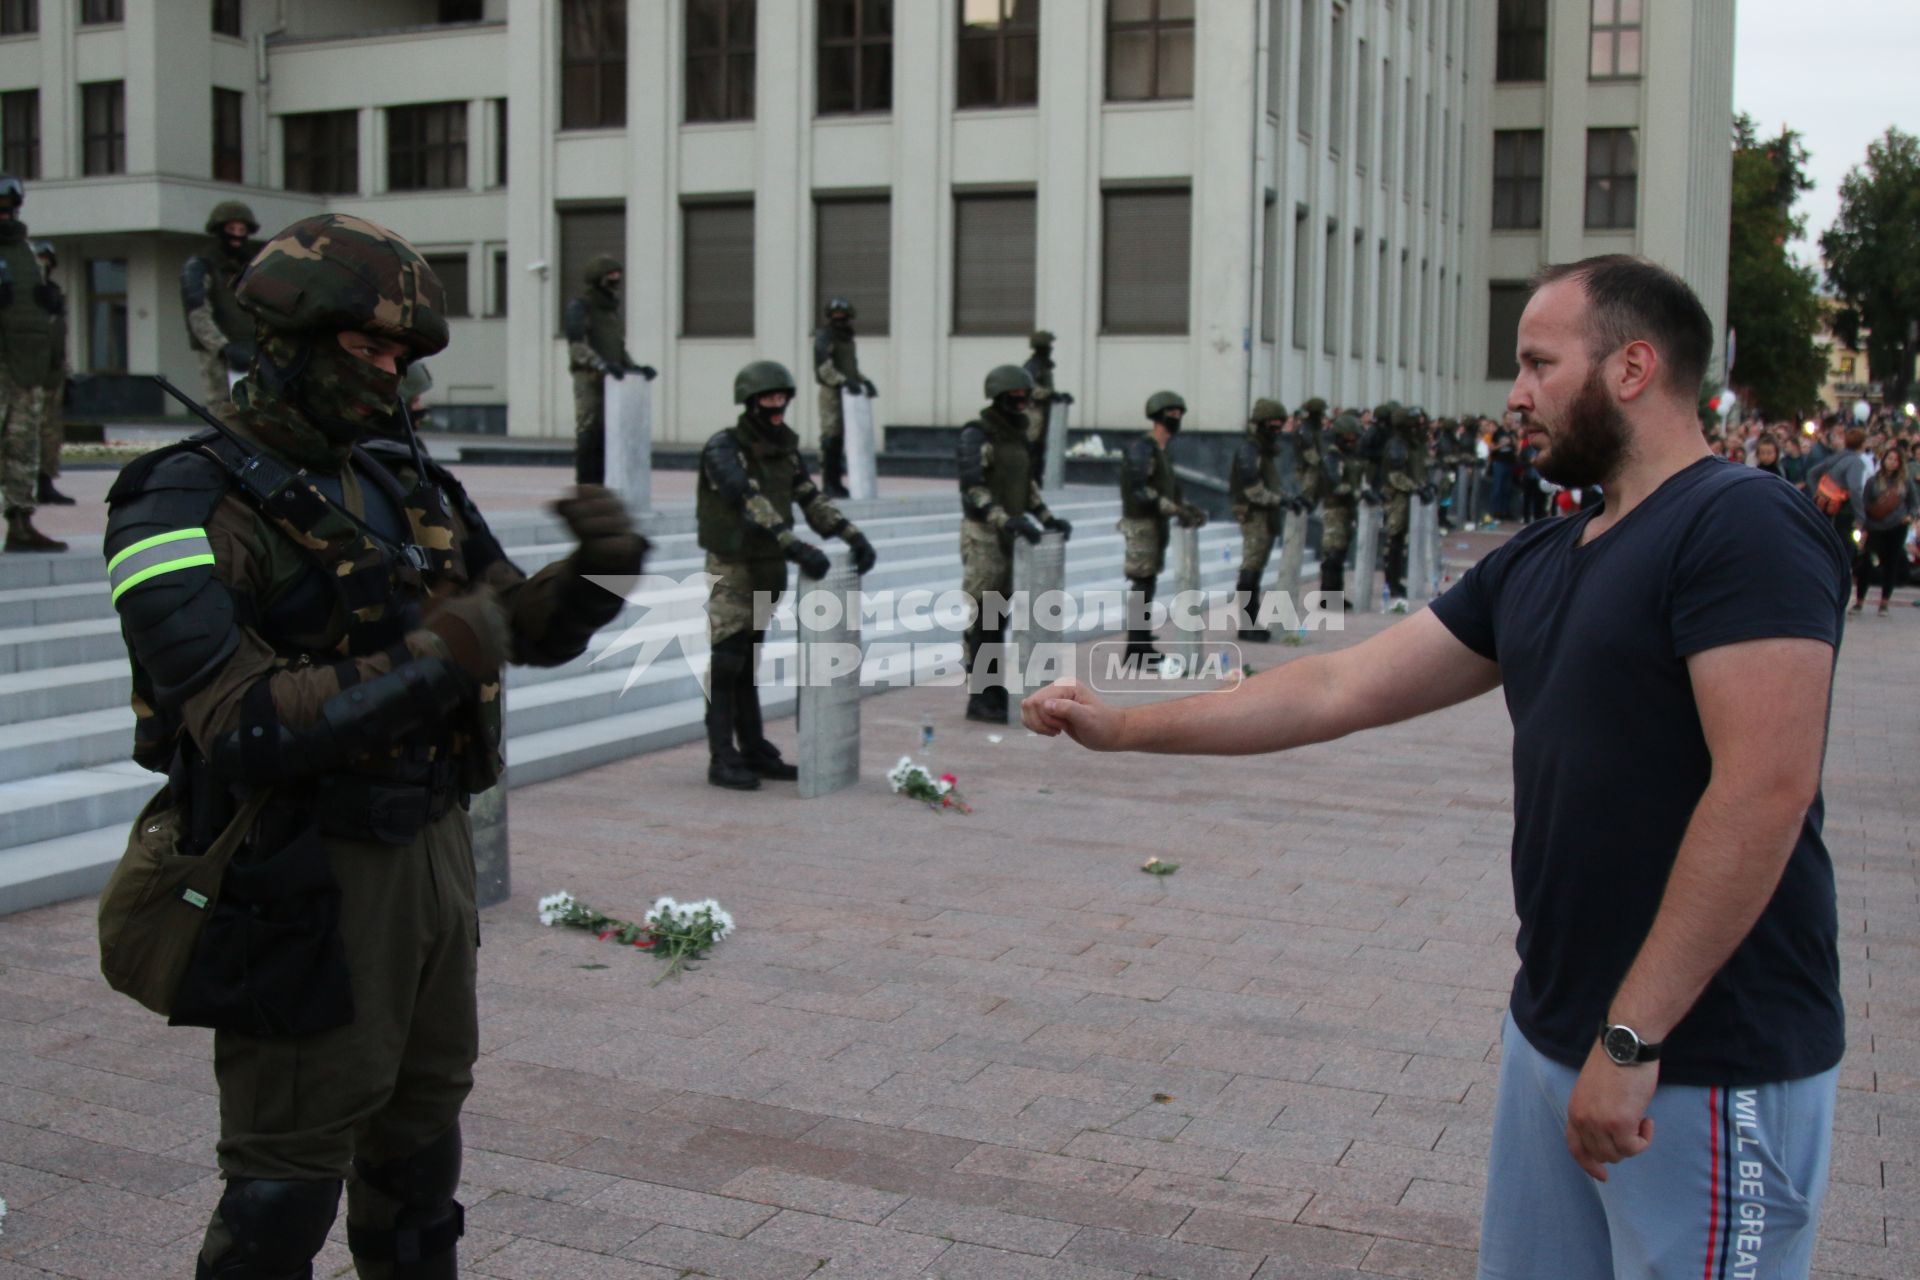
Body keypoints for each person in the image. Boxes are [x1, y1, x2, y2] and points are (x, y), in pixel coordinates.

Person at [1023, 255, 1850, 1280]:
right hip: (1556, 1039)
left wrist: (1632, 1040)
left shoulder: (1740, 524)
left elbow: (1764, 789)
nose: (1515, 394)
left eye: (1539, 363)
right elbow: (1337, 687)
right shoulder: (1544, 554)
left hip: (1700, 1061)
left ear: (1633, 367)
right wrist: (1128, 726)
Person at [103, 212, 647, 1279]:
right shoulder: (178, 498)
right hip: (298, 871)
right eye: (367, 351)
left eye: (402, 357)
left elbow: (511, 626)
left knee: (418, 1156)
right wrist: (441, 657)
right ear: (289, 339)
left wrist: (595, 572)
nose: (389, 375)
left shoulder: (399, 477)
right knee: (282, 1184)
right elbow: (241, 720)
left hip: (428, 851)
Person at [698, 360, 875, 789]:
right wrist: (792, 544)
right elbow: (748, 500)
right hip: (733, 566)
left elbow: (808, 497)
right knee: (727, 660)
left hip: (766, 567)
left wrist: (851, 535)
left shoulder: (785, 450)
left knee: (748, 658)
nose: (776, 406)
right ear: (750, 401)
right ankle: (722, 756)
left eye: (781, 398)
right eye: (767, 398)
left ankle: (754, 747)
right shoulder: (725, 448)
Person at [957, 365, 1071, 723]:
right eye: (1016, 397)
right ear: (1000, 396)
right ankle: (980, 696)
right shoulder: (978, 434)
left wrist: (1047, 517)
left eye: (1026, 397)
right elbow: (973, 489)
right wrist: (1004, 520)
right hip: (985, 538)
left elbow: (1027, 486)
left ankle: (993, 689)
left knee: (999, 616)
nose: (1023, 403)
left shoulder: (1018, 434)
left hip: (1013, 538)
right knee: (983, 619)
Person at [0, 173, 63, 552]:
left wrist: (49, 305)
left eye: (9, 210)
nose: (5, 217)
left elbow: (37, 312)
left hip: (26, 369)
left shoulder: (27, 252)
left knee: (23, 447)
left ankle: (20, 524)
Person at [1118, 391, 1204, 664]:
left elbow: (1169, 489)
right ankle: (1136, 649)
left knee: (1148, 583)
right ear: (1158, 416)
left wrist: (1187, 508)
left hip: (1156, 525)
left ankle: (1141, 639)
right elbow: (1140, 490)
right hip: (1141, 525)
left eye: (1179, 414)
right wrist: (1175, 509)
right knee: (1142, 583)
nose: (1176, 419)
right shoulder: (1142, 449)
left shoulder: (1161, 451)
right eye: (1171, 414)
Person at [565, 255, 655, 486]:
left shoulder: (610, 310)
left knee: (610, 435)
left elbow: (617, 346)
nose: (617, 279)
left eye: (618, 274)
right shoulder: (581, 306)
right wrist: (601, 365)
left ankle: (607, 484)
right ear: (598, 278)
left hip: (613, 381)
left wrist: (634, 368)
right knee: (590, 432)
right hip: (590, 378)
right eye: (611, 275)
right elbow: (577, 345)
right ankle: (587, 485)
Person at [181, 200, 262, 412]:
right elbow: (197, 312)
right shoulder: (201, 266)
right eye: (231, 229)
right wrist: (222, 346)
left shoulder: (252, 267)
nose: (237, 235)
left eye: (242, 230)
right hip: (219, 354)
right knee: (224, 411)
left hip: (254, 350)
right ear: (219, 230)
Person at [1230, 398, 1289, 642]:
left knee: (1256, 568)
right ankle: (1246, 623)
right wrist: (1279, 500)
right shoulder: (1250, 450)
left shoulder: (1262, 449)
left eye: (1279, 425)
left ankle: (1251, 620)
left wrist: (1284, 498)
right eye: (1272, 425)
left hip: (1265, 515)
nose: (1276, 431)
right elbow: (1253, 488)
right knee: (1251, 568)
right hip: (1255, 515)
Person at [813, 296, 873, 499]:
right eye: (835, 315)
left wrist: (864, 382)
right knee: (831, 438)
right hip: (832, 393)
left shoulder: (847, 339)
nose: (839, 319)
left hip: (848, 393)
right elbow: (824, 369)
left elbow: (850, 368)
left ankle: (837, 482)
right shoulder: (825, 337)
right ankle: (829, 483)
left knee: (843, 439)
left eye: (843, 315)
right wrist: (843, 382)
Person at [1852, 443, 1917, 616]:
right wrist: (1864, 524)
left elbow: (1913, 503)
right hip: (1875, 528)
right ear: (1884, 460)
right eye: (1889, 458)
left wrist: (1909, 516)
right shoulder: (1873, 481)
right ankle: (1859, 601)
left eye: (1896, 460)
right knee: (1867, 563)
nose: (1892, 462)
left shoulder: (1905, 483)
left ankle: (1884, 602)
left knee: (1891, 564)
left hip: (1897, 528)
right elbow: (1864, 503)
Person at [31, 239, 71, 506]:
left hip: (53, 375)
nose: (44, 264)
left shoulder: (54, 294)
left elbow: (61, 337)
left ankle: (45, 482)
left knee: (50, 433)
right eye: (39, 258)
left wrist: (66, 374)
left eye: (48, 259)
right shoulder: (23, 293)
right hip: (27, 374)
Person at [1315, 413, 1369, 608]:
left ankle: (1336, 594)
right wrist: (1358, 494)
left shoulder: (1350, 456)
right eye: (1349, 438)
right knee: (1332, 554)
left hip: (1348, 510)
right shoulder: (1331, 457)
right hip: (1334, 510)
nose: (1353, 442)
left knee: (1341, 553)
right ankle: (1328, 597)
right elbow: (1336, 485)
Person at [1022, 330, 1070, 476]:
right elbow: (1030, 388)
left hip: (1042, 414)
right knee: (1032, 450)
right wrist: (1050, 395)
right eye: (1049, 346)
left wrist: (1058, 396)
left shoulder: (1044, 366)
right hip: (1034, 416)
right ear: (1042, 348)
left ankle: (1036, 478)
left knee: (1039, 451)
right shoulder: (1033, 366)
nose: (1051, 349)